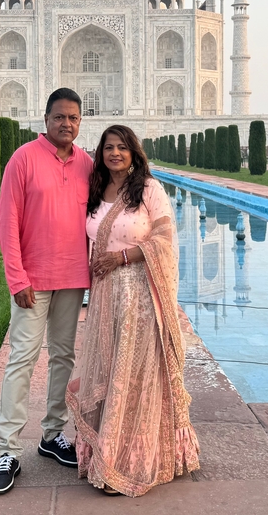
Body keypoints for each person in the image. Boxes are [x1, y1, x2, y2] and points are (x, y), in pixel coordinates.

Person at [68, 125, 200, 497]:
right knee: (109, 372)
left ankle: (127, 462)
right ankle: (105, 454)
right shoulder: (97, 189)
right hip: (106, 297)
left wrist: (121, 257)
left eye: (122, 147)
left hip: (141, 296)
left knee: (134, 374)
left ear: (133, 152)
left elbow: (164, 238)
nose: (115, 154)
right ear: (101, 153)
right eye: (109, 148)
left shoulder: (148, 189)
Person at [0, 88, 93, 495]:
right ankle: (8, 450)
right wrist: (17, 278)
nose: (66, 124)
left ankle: (52, 436)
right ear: (45, 119)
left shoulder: (86, 163)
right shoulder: (24, 158)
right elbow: (6, 222)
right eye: (59, 117)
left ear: (80, 122)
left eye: (73, 118)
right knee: (22, 360)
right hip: (33, 281)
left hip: (72, 279)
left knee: (63, 358)